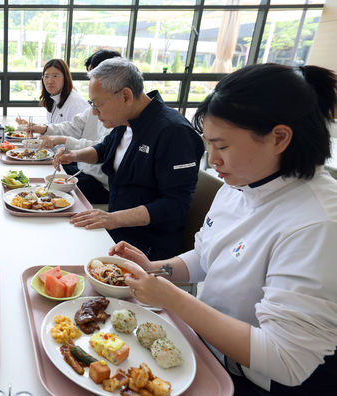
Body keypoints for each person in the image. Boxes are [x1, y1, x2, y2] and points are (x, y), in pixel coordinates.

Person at [110, 63, 337, 394]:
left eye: (223, 146)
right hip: (204, 347)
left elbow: (287, 359)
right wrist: (154, 269)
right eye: (209, 144)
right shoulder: (242, 183)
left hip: (252, 379)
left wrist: (172, 298)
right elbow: (207, 255)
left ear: (279, 138)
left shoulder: (317, 222)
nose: (211, 159)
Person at [54, 57, 204, 260]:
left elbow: (174, 204)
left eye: (98, 105)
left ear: (125, 96)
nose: (94, 112)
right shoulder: (126, 120)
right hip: (117, 231)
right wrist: (73, 155)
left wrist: (112, 219)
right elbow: (104, 149)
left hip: (146, 245)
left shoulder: (174, 132)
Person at [27, 50, 122, 204]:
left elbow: (103, 147)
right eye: (46, 76)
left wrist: (63, 140)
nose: (91, 82)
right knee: (42, 178)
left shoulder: (118, 110)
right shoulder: (97, 103)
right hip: (83, 169)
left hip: (100, 182)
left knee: (49, 190)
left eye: (93, 77)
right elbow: (74, 126)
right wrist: (45, 129)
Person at [18, 59, 88, 125]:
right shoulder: (54, 97)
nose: (50, 81)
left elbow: (75, 134)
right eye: (46, 76)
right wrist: (33, 126)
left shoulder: (75, 104)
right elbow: (53, 126)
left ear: (65, 78)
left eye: (55, 76)